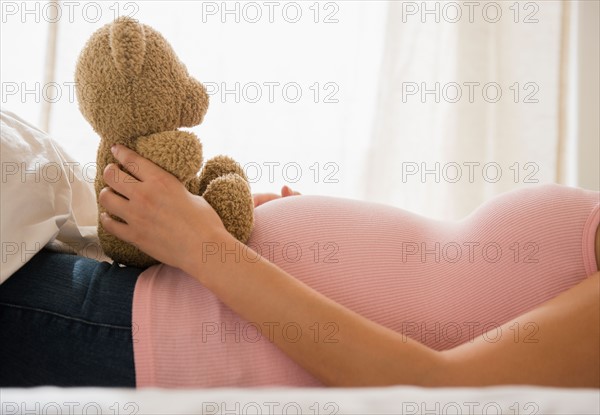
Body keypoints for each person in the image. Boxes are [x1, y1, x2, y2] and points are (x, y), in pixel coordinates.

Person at [1, 144, 598, 388]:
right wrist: (305, 235)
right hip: (163, 298)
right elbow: (442, 283)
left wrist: (207, 247)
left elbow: (439, 391)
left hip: (154, 333)